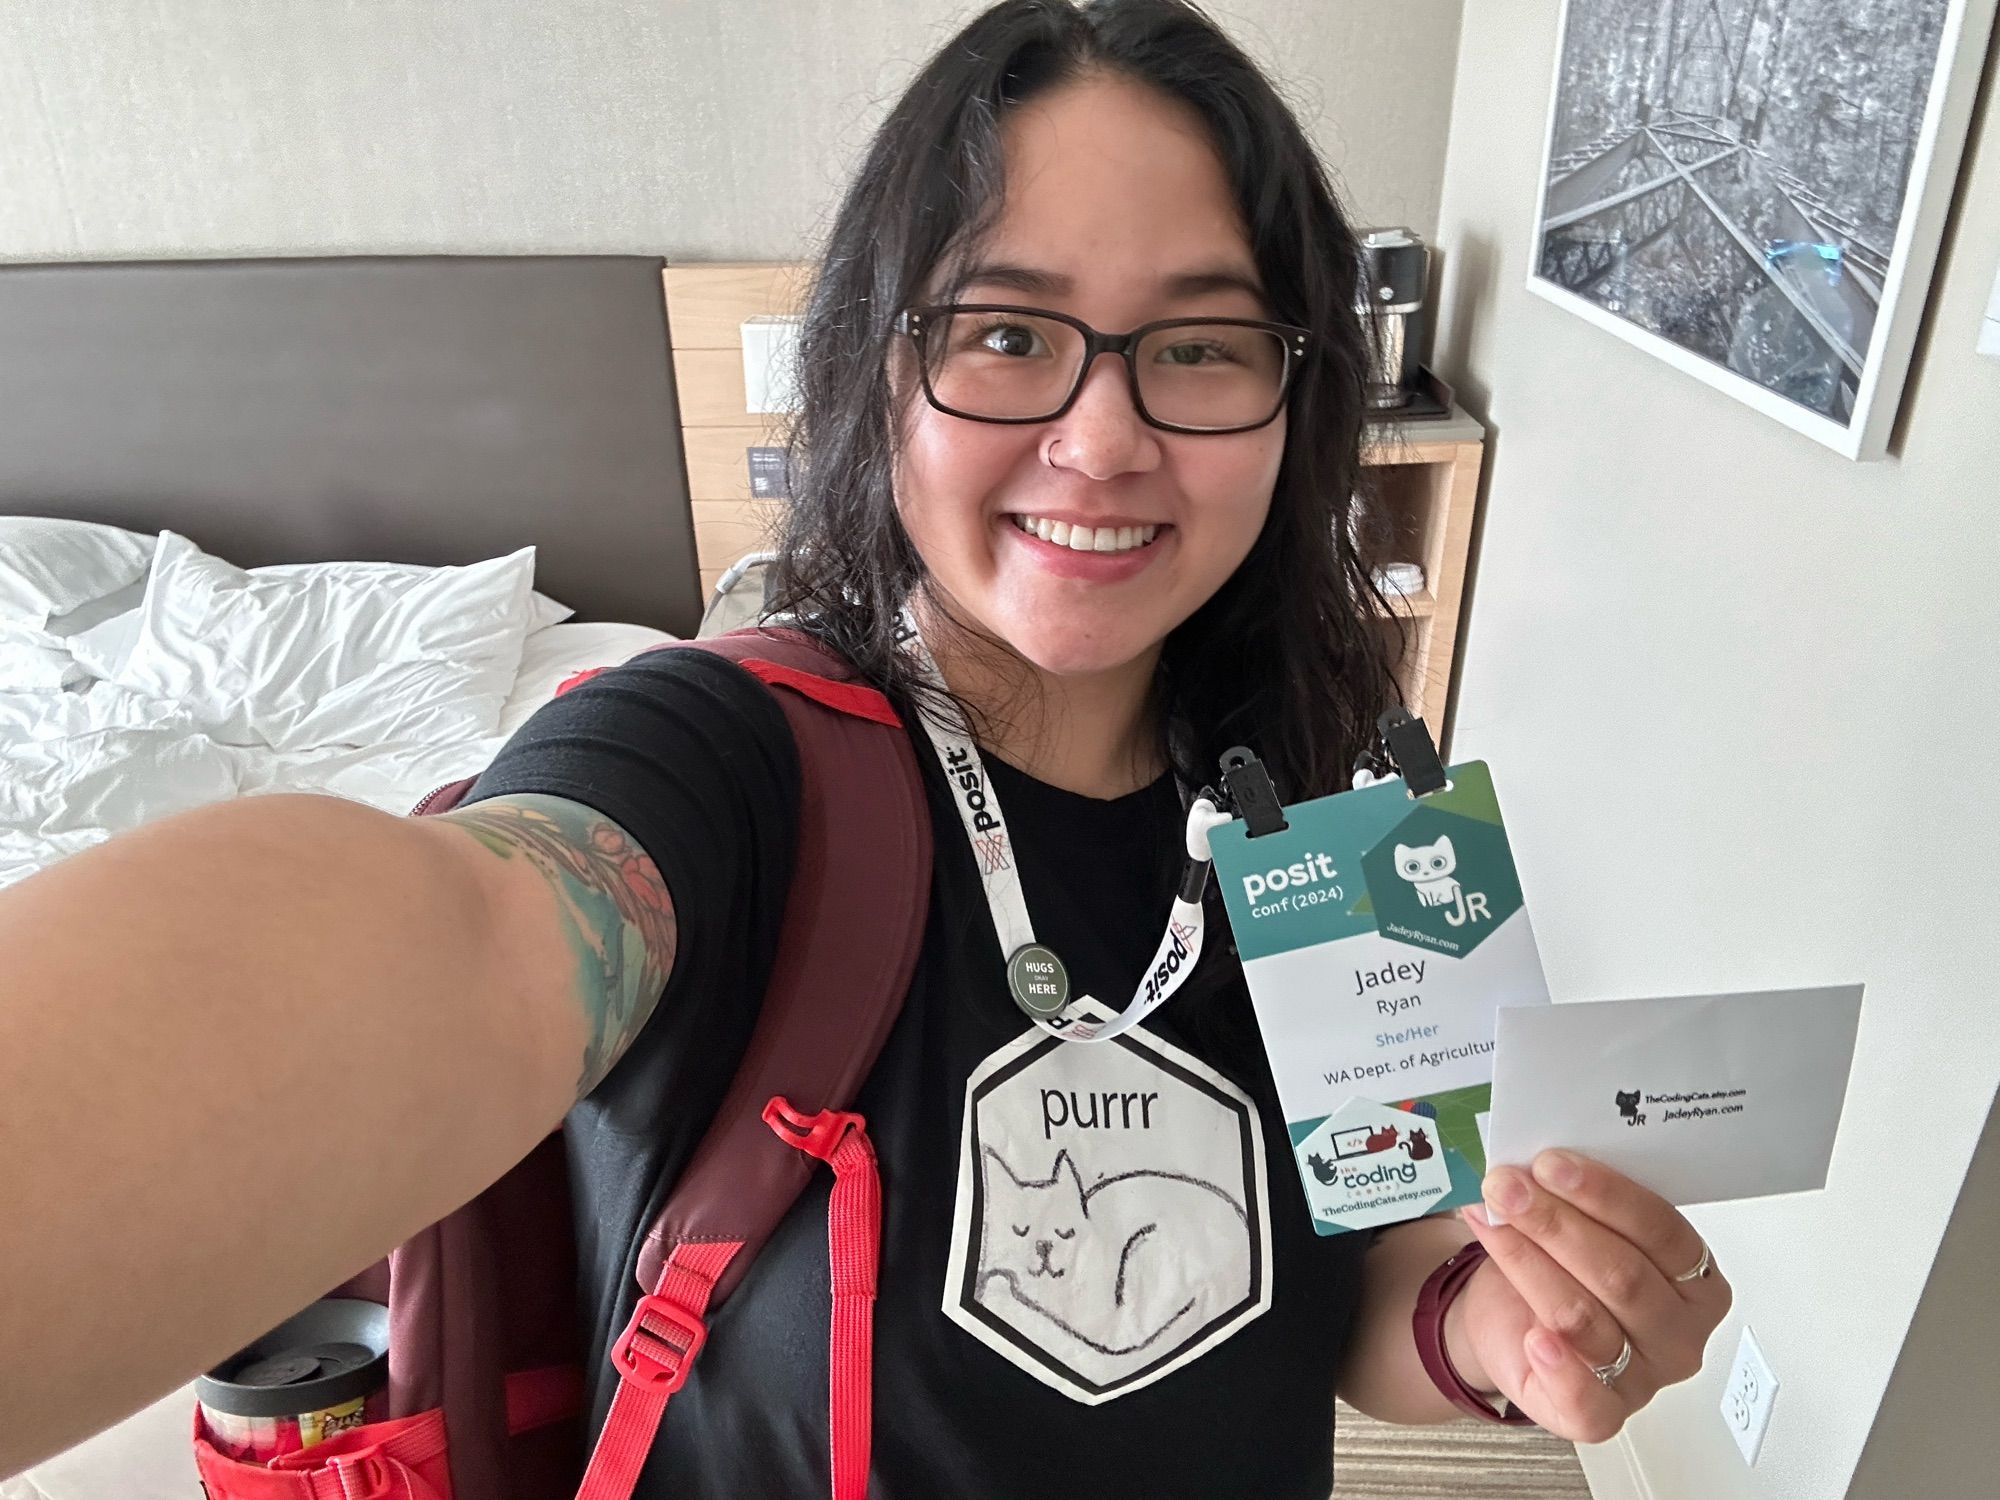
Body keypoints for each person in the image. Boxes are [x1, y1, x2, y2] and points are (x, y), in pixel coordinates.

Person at [0, 1, 1730, 1492]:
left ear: (1298, 397)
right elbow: (457, 937)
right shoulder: (727, 763)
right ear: (874, 377)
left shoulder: (1337, 808)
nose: (1105, 434)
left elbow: (1367, 1268)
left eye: (1198, 347)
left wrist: (1500, 1326)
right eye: (1004, 333)